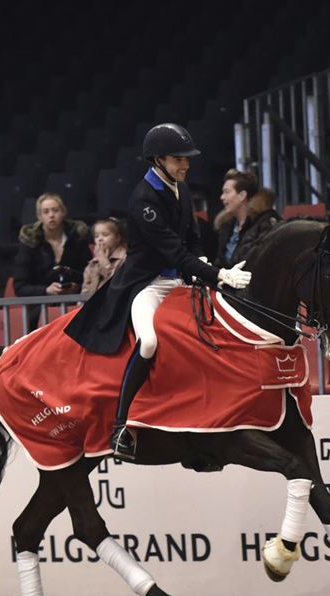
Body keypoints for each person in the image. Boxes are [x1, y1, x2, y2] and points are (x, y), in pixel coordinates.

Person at [64, 123, 251, 460]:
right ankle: (121, 426)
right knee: (149, 341)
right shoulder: (143, 199)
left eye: (187, 159)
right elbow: (173, 252)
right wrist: (217, 275)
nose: (186, 165)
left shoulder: (179, 186)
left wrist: (206, 261)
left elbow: (191, 237)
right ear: (158, 159)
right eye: (179, 159)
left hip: (179, 279)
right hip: (147, 284)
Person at [13, 193, 91, 325]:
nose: (51, 215)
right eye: (46, 212)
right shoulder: (30, 243)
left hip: (75, 305)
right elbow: (20, 287)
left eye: (55, 210)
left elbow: (88, 273)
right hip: (40, 309)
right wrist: (46, 290)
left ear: (63, 212)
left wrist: (76, 286)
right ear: (39, 216)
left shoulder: (77, 238)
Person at [214, 169, 282, 267]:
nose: (222, 197)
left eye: (226, 192)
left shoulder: (265, 225)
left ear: (242, 195)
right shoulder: (226, 226)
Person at [81, 218, 127, 295]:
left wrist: (105, 264)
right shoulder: (92, 264)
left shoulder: (125, 258)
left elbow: (118, 287)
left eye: (105, 235)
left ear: (117, 238)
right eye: (96, 236)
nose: (100, 239)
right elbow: (85, 293)